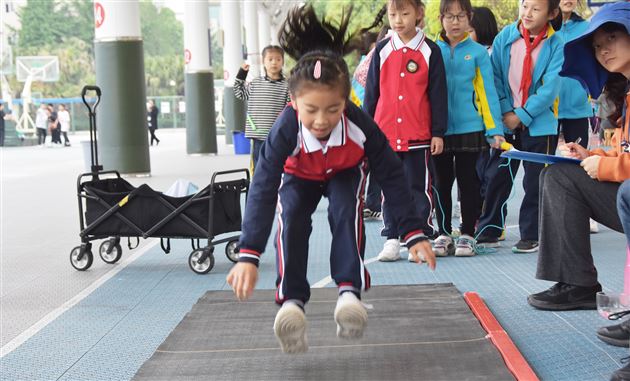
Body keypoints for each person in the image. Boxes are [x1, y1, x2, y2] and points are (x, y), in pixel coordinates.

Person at [226, 5, 436, 355]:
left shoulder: (360, 125)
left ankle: (349, 294)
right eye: (311, 110)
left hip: (342, 171)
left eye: (333, 109)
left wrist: (413, 232)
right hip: (299, 176)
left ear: (346, 102)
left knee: (345, 211)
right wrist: (248, 252)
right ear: (293, 102)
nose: (321, 121)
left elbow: (393, 177)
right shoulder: (285, 129)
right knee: (290, 216)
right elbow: (262, 188)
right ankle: (291, 302)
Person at [526, 1, 630, 311]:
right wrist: (592, 155)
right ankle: (578, 282)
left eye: (611, 38)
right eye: (597, 45)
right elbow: (623, 151)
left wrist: (607, 167)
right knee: (557, 175)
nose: (603, 50)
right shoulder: (625, 94)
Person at [474, 0, 564, 253]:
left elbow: (549, 89)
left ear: (552, 13)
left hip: (540, 124)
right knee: (498, 176)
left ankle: (531, 233)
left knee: (536, 182)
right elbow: (495, 77)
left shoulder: (556, 45)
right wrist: (506, 111)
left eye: (536, 9)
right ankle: (489, 228)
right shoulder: (506, 37)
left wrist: (522, 115)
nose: (527, 13)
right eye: (525, 6)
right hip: (506, 121)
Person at [364, 0, 447, 262]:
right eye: (393, 14)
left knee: (418, 187)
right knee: (390, 187)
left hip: (419, 135)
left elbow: (437, 94)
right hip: (385, 133)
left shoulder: (430, 51)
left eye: (404, 13)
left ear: (419, 13)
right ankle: (392, 237)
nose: (398, 19)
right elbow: (371, 94)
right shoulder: (382, 49)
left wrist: (438, 132)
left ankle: (420, 237)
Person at [433, 0, 504, 257]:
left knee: (468, 181)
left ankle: (467, 234)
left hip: (470, 127)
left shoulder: (477, 53)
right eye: (450, 17)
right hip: (438, 130)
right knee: (441, 182)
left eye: (461, 16)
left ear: (469, 18)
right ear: (441, 19)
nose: (455, 22)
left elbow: (488, 93)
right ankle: (442, 233)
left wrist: (494, 128)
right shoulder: (432, 50)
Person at [350, 7, 388, 221]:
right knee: (379, 161)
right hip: (375, 116)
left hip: (369, 117)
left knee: (374, 162)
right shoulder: (380, 57)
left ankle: (371, 202)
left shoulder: (370, 58)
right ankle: (373, 202)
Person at [233, 45, 289, 172]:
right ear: (263, 62)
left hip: (277, 136)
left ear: (282, 62)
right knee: (258, 167)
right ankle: (258, 190)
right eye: (270, 59)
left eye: (278, 59)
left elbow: (289, 110)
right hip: (258, 135)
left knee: (278, 166)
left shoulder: (287, 86)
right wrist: (242, 74)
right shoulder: (256, 83)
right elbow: (239, 92)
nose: (274, 62)